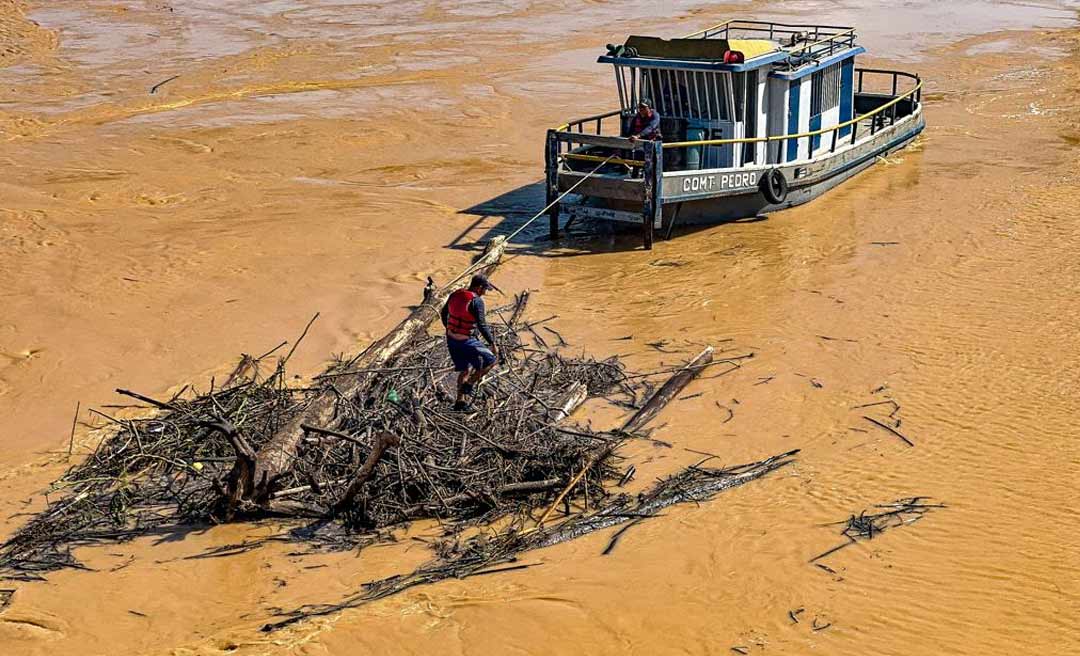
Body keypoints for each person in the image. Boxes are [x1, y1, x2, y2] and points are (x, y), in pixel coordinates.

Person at [441, 274, 500, 410]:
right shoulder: (477, 301)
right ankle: (469, 384)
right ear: (479, 288)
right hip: (466, 341)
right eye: (485, 289)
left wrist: (449, 329)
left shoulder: (455, 294)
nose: (485, 292)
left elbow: (444, 313)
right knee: (492, 360)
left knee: (464, 370)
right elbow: (482, 325)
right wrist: (493, 343)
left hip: (451, 340)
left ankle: (459, 402)